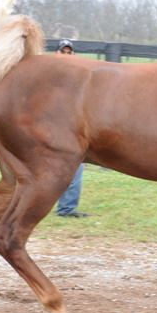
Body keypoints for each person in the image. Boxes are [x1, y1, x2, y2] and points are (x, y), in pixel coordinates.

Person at [54, 40, 88, 218]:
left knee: (75, 169)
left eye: (69, 53)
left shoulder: (77, 76)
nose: (66, 56)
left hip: (71, 129)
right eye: (63, 52)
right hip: (55, 130)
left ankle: (66, 208)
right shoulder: (48, 75)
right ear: (56, 54)